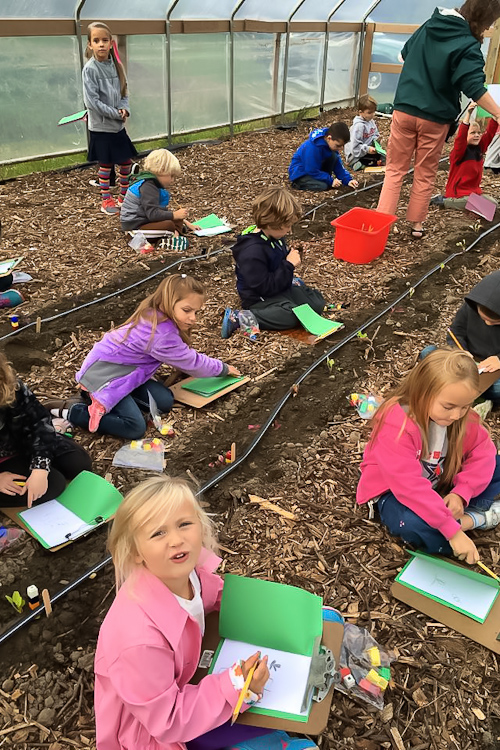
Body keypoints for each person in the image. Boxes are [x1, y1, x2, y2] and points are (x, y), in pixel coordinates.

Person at [94, 475, 319, 750]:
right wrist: (238, 685)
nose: (176, 540)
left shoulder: (187, 573)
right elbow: (168, 721)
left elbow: (215, 596)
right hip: (152, 734)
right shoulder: (138, 639)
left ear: (200, 526)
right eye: (158, 533)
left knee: (325, 623)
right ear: (136, 553)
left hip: (189, 683)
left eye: (184, 524)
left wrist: (280, 610)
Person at [46, 275, 241, 440]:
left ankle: (123, 397)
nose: (193, 318)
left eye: (196, 312)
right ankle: (73, 411)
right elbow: (193, 363)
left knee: (164, 402)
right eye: (187, 310)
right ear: (168, 302)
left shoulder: (156, 315)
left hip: (128, 374)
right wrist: (223, 369)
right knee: (134, 428)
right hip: (105, 377)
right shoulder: (160, 335)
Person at [357, 349, 500, 564]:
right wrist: (452, 531)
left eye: (465, 406)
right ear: (422, 393)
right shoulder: (397, 424)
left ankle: (464, 519)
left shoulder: (461, 419)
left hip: (439, 483)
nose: (456, 415)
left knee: (494, 464)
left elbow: (483, 452)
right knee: (411, 523)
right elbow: (409, 487)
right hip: (395, 493)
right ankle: (472, 520)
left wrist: (462, 493)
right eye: (448, 407)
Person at [377, 0, 500, 239]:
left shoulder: (429, 25)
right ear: (483, 19)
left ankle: (383, 225)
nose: (488, 28)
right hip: (434, 119)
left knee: (394, 171)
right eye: (490, 22)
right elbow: (474, 86)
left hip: (404, 109)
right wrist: (498, 112)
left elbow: (404, 54)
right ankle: (416, 227)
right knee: (424, 172)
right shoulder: (467, 44)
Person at [221, 187, 325, 337]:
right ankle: (239, 318)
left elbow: (277, 260)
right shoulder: (252, 252)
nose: (289, 231)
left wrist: (288, 260)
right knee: (291, 316)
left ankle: (293, 287)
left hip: (279, 287)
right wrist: (288, 265)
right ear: (271, 224)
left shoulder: (274, 236)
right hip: (260, 298)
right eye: (287, 226)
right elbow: (264, 287)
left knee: (317, 303)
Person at [0, 354, 92, 508]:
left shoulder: (9, 384)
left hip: (21, 442)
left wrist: (40, 467)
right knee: (53, 485)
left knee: (78, 463)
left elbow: (39, 422)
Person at [83, 21, 138, 216]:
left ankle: (124, 197)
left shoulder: (116, 65)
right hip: (101, 127)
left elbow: (124, 91)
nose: (101, 44)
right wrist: (116, 114)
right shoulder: (90, 70)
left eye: (104, 40)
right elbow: (92, 102)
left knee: (125, 163)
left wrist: (125, 108)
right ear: (89, 44)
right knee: (105, 164)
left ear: (110, 43)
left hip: (117, 127)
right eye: (96, 40)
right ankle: (106, 199)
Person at [444, 269, 500, 403]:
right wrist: (460, 351)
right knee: (428, 353)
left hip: (493, 367)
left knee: (498, 388)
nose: (487, 323)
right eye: (483, 318)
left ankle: (473, 393)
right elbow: (456, 331)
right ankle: (474, 393)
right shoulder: (471, 306)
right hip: (469, 358)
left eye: (494, 322)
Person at [431, 102, 499, 209]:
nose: (477, 135)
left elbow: (489, 134)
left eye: (478, 132)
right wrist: (468, 115)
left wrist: (496, 116)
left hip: (473, 193)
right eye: (472, 133)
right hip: (458, 194)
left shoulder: (479, 149)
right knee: (478, 204)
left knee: (493, 203)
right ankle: (444, 202)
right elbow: (460, 139)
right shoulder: (459, 153)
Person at [120, 149, 200, 237]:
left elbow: (159, 211)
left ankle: (176, 230)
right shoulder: (148, 187)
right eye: (171, 176)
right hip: (135, 225)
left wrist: (186, 223)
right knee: (169, 225)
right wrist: (174, 215)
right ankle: (136, 236)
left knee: (175, 219)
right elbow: (153, 214)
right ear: (162, 170)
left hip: (144, 220)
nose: (172, 180)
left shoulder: (151, 183)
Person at [288, 122, 359, 192]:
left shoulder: (331, 146)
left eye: (343, 146)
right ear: (329, 138)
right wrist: (330, 181)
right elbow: (311, 170)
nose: (341, 149)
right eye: (338, 145)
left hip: (315, 171)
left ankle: (323, 180)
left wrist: (348, 180)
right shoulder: (313, 147)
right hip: (301, 173)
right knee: (323, 186)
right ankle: (298, 184)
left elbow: (338, 167)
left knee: (333, 157)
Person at [344, 94, 384, 171]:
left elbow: (375, 134)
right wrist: (368, 149)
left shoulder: (371, 121)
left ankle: (371, 162)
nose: (372, 115)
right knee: (371, 162)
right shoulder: (359, 126)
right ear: (360, 112)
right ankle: (354, 163)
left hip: (367, 150)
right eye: (369, 113)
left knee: (385, 156)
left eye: (373, 112)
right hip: (355, 154)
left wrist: (377, 143)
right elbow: (355, 148)